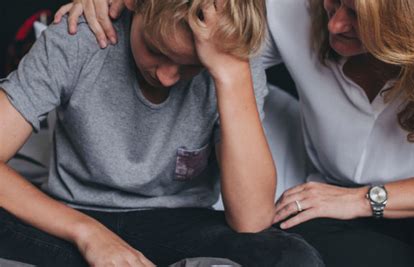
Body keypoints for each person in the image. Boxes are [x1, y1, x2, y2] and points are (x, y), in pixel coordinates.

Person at [60, 0, 414, 266]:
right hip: (323, 197)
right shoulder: (296, 11)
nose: (335, 24)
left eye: (358, 18)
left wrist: (362, 201)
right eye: (334, 3)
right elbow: (202, 34)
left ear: (413, 29)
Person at [0, 0, 326, 266]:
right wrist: (88, 234)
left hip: (179, 222)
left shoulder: (233, 64)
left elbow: (252, 219)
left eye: (190, 66)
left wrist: (230, 75)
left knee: (292, 258)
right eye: (157, 50)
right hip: (73, 216)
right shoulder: (78, 38)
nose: (168, 77)